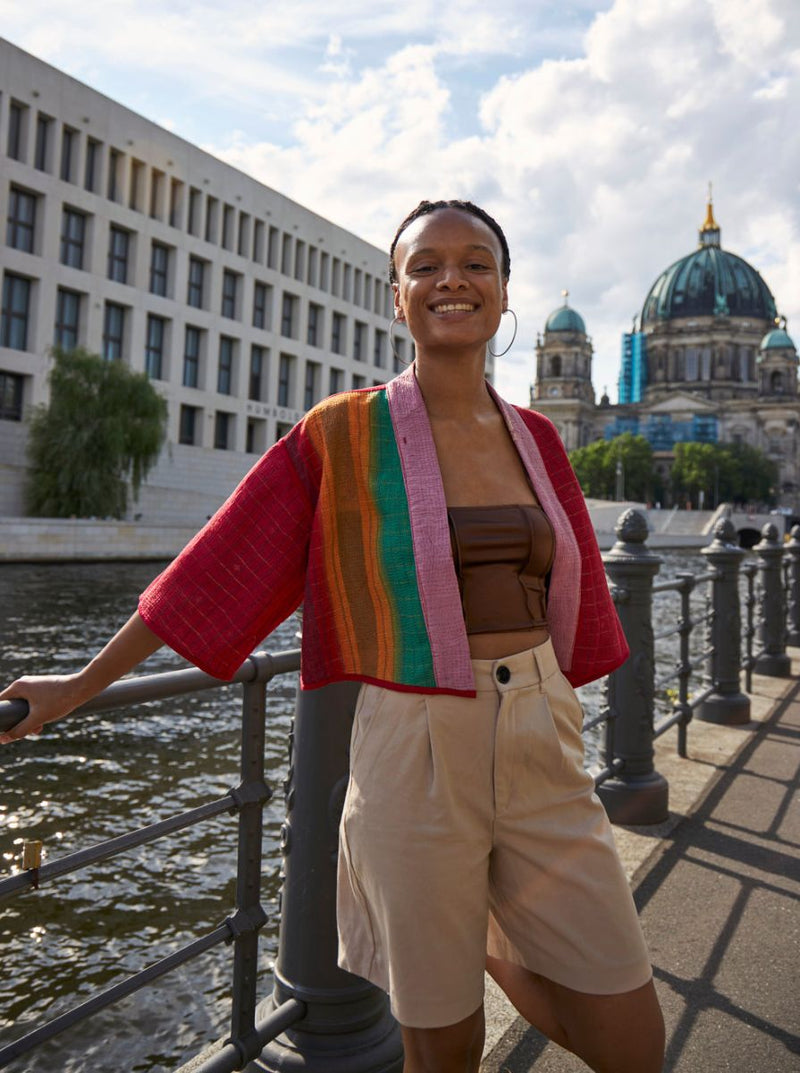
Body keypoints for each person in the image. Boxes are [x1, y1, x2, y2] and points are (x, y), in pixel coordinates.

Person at [0, 200, 665, 1073]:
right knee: (443, 1043)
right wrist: (82, 683)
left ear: (504, 296)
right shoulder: (345, 432)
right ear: (398, 297)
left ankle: (486, 941)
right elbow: (216, 570)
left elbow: (572, 592)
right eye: (425, 266)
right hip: (412, 743)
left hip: (542, 734)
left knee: (633, 1035)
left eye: (475, 264)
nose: (450, 280)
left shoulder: (538, 436)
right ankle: (460, 946)